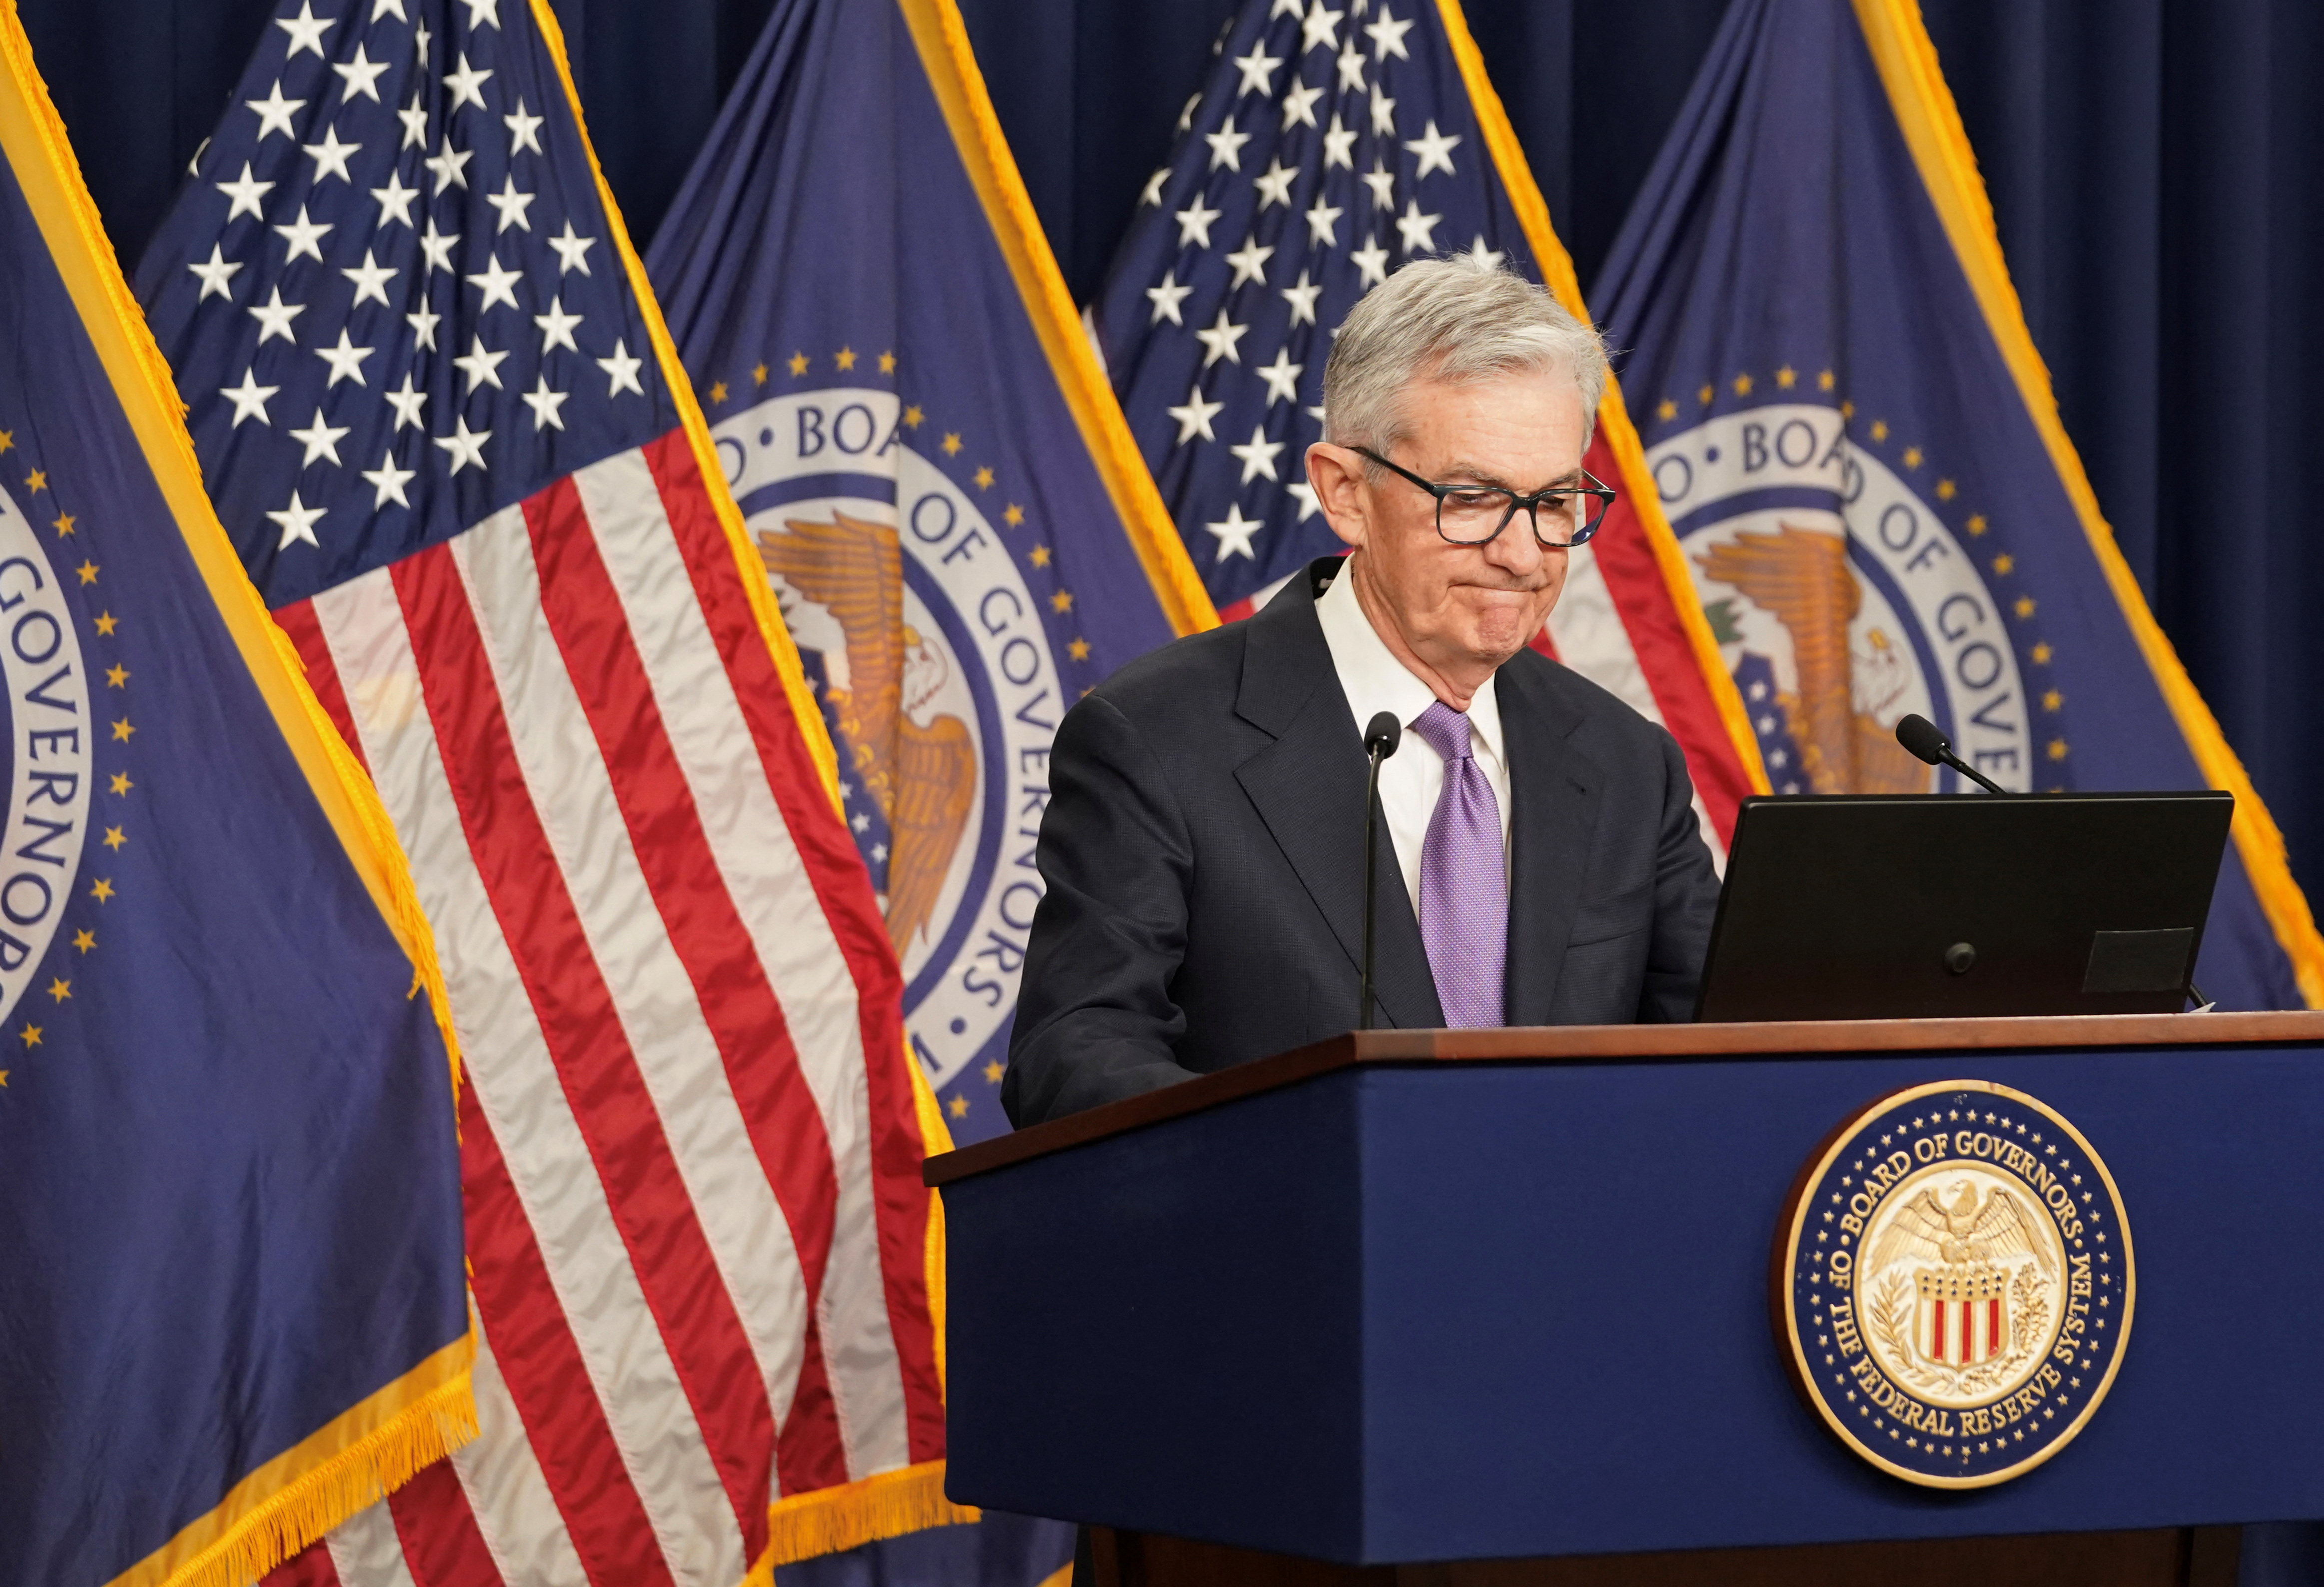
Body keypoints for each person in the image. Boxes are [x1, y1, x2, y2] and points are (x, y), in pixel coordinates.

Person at [1003, 255, 1721, 1127]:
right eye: (1472, 499)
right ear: (1345, 494)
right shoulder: (1155, 737)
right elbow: (1074, 1053)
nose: (1526, 555)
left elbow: (1718, 1045)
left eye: (1555, 502)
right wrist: (1317, 1172)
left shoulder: (1623, 760)